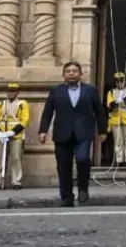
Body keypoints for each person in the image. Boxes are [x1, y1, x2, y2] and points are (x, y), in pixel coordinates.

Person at [38, 62, 107, 207]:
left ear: (80, 74)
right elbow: (48, 112)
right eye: (68, 71)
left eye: (75, 71)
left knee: (82, 159)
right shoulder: (56, 91)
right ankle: (66, 196)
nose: (71, 73)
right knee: (63, 166)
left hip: (84, 132)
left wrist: (102, 131)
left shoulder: (90, 90)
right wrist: (43, 130)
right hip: (62, 133)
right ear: (63, 75)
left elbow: (100, 111)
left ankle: (83, 188)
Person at [0, 83, 29, 190]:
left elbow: (24, 120)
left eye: (13, 91)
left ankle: (16, 182)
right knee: (0, 160)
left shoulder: (22, 104)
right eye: (9, 91)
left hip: (16, 136)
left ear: (17, 92)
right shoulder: (0, 104)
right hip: (2, 136)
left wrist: (12, 132)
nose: (11, 93)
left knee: (16, 159)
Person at [106, 72, 126, 166]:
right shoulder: (111, 92)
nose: (119, 83)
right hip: (115, 118)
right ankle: (119, 159)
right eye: (117, 81)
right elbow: (108, 106)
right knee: (118, 140)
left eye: (121, 80)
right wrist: (115, 103)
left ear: (125, 81)